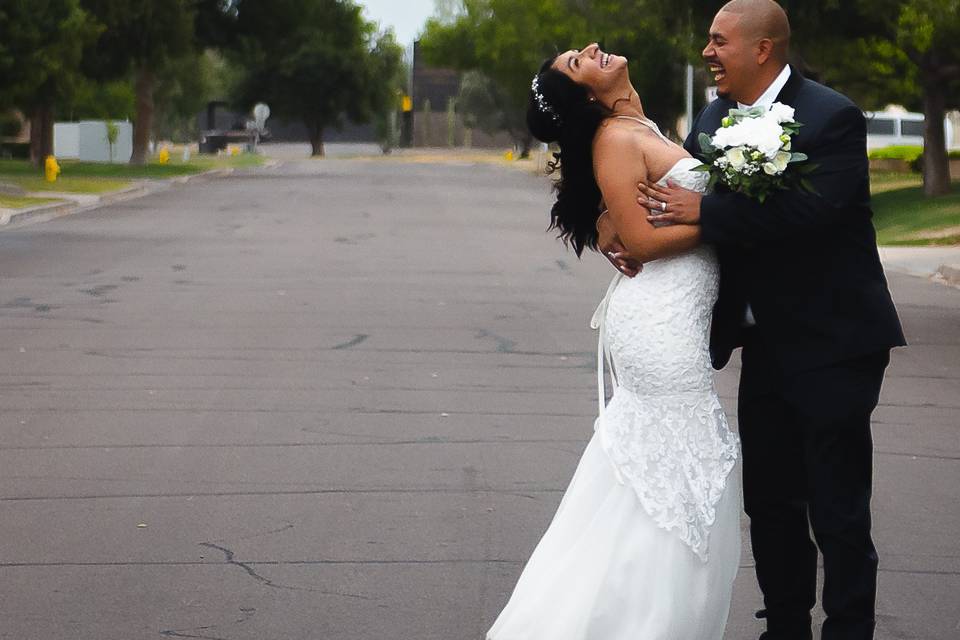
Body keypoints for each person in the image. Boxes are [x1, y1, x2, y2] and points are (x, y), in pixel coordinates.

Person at [599, 1, 906, 639]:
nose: (708, 53)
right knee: (769, 501)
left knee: (838, 506)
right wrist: (614, 226)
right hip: (761, 346)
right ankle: (785, 626)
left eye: (718, 42)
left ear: (761, 49)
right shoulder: (712, 119)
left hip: (835, 342)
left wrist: (702, 215)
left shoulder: (833, 116)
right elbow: (668, 195)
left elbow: (807, 214)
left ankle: (849, 629)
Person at [487, 42, 741, 640]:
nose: (592, 49)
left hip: (670, 311)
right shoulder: (618, 140)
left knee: (660, 477)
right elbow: (644, 241)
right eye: (579, 62)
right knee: (673, 476)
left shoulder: (633, 125)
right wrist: (730, 214)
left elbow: (628, 223)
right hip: (661, 323)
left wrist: (704, 213)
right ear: (586, 96)